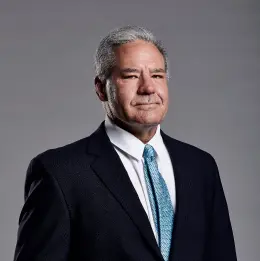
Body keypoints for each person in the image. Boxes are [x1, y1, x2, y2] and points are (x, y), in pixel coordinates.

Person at [13, 25, 237, 261]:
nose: (148, 87)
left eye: (157, 75)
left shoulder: (200, 167)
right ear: (101, 89)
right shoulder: (60, 173)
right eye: (130, 76)